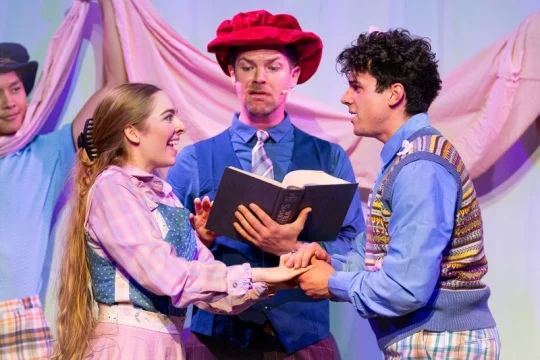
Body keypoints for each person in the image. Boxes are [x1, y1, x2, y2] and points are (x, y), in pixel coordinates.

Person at [285, 29, 501, 359]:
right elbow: (375, 255)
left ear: (394, 94)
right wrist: (331, 262)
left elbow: (406, 287)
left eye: (357, 87)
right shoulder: (405, 159)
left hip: (441, 342)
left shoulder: (420, 167)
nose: (345, 98)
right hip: (429, 339)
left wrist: (332, 282)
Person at [53, 82, 308, 360]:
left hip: (166, 346)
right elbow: (168, 276)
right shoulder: (112, 187)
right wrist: (261, 274)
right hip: (128, 347)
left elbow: (212, 291)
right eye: (168, 117)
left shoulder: (166, 195)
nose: (181, 126)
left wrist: (275, 280)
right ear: (133, 132)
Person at [167, 9, 364, 360]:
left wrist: (310, 248)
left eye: (273, 67)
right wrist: (200, 239)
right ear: (231, 72)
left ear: (294, 75)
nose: (260, 77)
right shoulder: (194, 159)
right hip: (216, 339)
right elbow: (163, 254)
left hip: (303, 337)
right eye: (247, 67)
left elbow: (355, 244)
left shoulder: (330, 158)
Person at [0, 0, 127, 358]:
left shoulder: (44, 152)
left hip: (14, 316)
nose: (8, 101)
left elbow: (114, 88)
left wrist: (107, 7)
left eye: (15, 88)